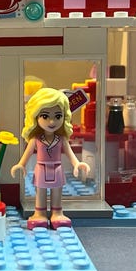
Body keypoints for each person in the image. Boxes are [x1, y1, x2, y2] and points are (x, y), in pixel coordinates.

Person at [11, 88, 90, 229]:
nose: (52, 121)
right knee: (40, 191)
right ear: (35, 116)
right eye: (45, 116)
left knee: (57, 191)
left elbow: (70, 153)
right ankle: (39, 214)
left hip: (57, 168)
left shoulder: (61, 138)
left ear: (64, 116)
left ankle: (57, 213)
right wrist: (21, 165)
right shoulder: (35, 139)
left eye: (58, 116)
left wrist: (77, 164)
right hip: (41, 168)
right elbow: (27, 153)